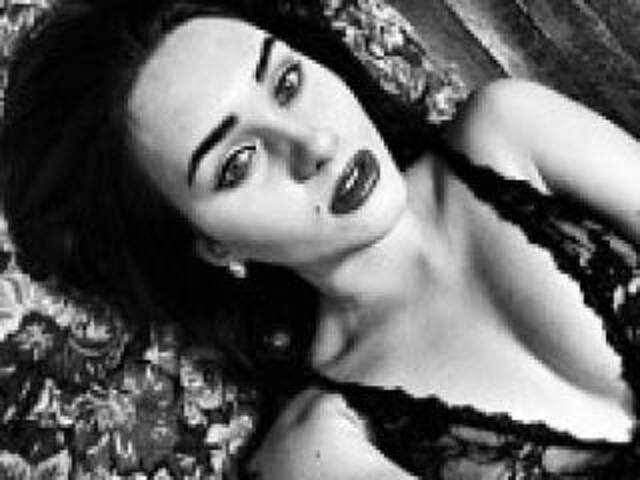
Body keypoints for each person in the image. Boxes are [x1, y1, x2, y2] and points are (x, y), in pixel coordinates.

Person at [2, 0, 640, 477]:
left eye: (287, 83)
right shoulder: (321, 448)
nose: (313, 144)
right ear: (214, 246)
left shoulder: (512, 131)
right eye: (238, 162)